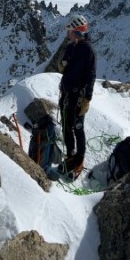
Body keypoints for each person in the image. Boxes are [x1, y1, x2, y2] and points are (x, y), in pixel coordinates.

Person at [58, 14, 97, 179]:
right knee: (67, 126)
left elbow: (91, 75)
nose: (68, 35)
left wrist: (87, 98)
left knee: (78, 128)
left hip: (78, 96)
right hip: (66, 95)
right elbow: (65, 66)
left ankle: (79, 160)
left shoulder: (88, 50)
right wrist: (63, 64)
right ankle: (70, 155)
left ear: (78, 32)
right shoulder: (70, 47)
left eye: (71, 32)